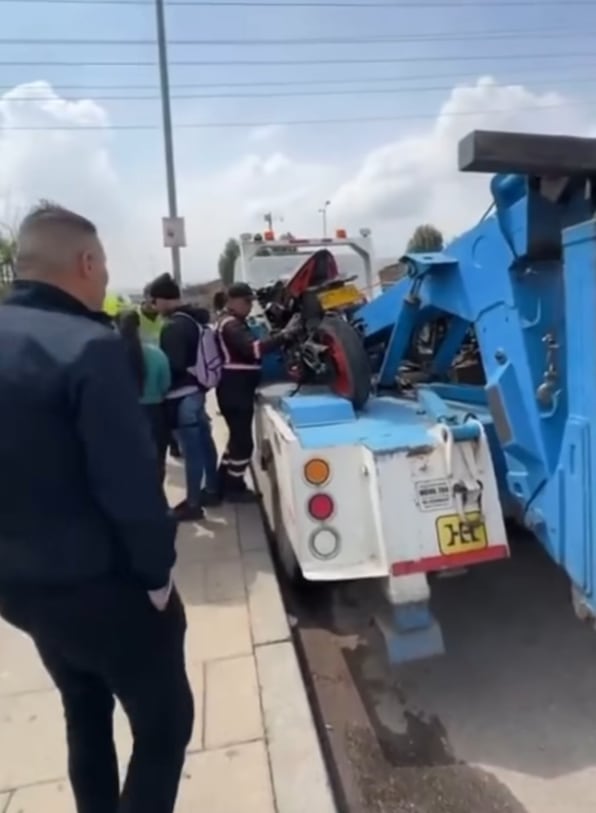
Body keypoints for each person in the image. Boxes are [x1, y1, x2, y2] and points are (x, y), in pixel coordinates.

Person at [0, 203, 193, 813]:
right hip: (104, 590)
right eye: (104, 264)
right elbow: (131, 488)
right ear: (85, 263)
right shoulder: (89, 347)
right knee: (164, 729)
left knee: (83, 711)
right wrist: (158, 578)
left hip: (19, 591)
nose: (107, 278)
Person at [216, 281, 300, 501]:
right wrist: (286, 335)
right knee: (244, 443)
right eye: (246, 301)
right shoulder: (231, 325)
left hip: (234, 390)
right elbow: (253, 350)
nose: (249, 306)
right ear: (232, 301)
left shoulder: (230, 322)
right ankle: (234, 487)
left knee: (236, 439)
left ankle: (221, 481)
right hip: (235, 391)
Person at [147, 272, 219, 522]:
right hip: (197, 392)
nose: (153, 307)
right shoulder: (193, 320)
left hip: (181, 397)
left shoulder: (173, 326)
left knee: (192, 451)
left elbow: (173, 366)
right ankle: (212, 488)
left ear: (164, 300)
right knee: (205, 444)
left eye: (154, 302)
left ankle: (193, 504)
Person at [118, 309, 171, 483]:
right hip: (154, 414)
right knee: (156, 465)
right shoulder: (157, 354)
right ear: (139, 327)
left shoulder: (109, 355)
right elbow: (166, 385)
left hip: (123, 415)